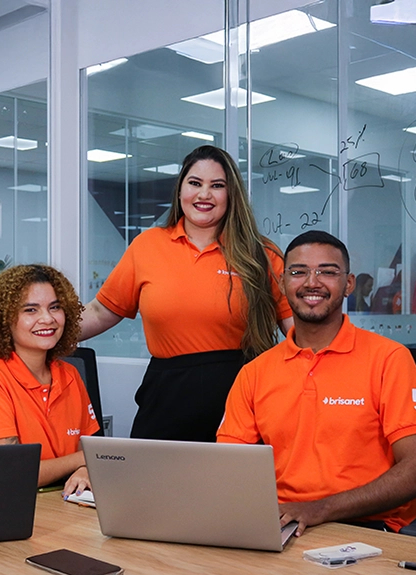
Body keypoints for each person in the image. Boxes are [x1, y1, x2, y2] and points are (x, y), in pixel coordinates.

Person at [217, 230, 416, 535]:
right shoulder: (254, 372)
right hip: (280, 525)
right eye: (298, 272)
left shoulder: (389, 360)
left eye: (327, 272)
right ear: (282, 283)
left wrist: (319, 509)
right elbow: (229, 467)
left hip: (368, 530)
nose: (311, 282)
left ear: (348, 284)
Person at [80, 145, 293, 442]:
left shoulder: (262, 254)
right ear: (180, 190)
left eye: (217, 186)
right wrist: (41, 333)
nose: (204, 194)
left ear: (231, 195)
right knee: (149, 486)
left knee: (229, 488)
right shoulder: (148, 245)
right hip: (166, 396)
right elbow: (101, 312)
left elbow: (297, 330)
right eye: (195, 183)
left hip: (239, 398)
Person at [0, 264, 100, 497]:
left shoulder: (70, 374)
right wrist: (83, 459)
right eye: (30, 310)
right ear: (4, 319)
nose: (47, 319)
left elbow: (90, 450)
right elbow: (11, 472)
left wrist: (86, 468)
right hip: (11, 507)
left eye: (54, 307)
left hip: (69, 503)